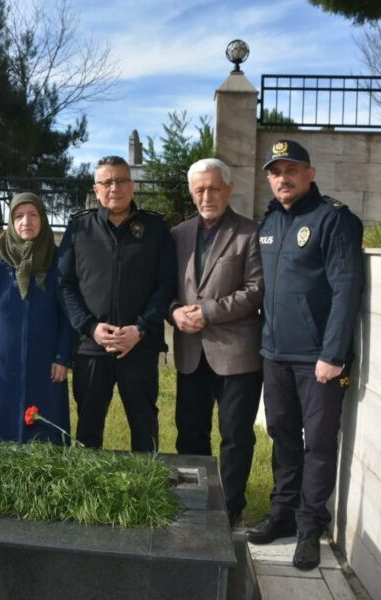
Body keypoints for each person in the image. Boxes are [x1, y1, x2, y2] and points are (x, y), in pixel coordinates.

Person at [246, 140, 364, 571]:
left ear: (310, 173)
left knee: (316, 443)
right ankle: (282, 512)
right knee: (281, 434)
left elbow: (347, 287)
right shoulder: (271, 220)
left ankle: (310, 526)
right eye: (275, 171)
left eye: (291, 168)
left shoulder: (333, 219)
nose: (283, 177)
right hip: (274, 354)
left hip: (318, 360)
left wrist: (333, 354)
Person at [58, 156, 176, 452]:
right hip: (91, 348)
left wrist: (141, 328)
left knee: (144, 426)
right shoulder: (79, 228)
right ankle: (89, 493)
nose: (115, 187)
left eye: (121, 180)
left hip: (139, 346)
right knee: (88, 428)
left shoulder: (156, 228)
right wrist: (90, 327)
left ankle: (145, 493)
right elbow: (64, 285)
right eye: (107, 182)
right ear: (96, 189)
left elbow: (166, 285)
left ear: (132, 186)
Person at [169, 158, 263, 527]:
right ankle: (191, 503)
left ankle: (230, 509)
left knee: (235, 436)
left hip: (236, 354)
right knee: (189, 432)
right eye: (199, 190)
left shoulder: (250, 233)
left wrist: (207, 311)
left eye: (213, 188)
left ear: (229, 189)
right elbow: (165, 287)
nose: (206, 195)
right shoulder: (177, 235)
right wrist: (174, 311)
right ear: (192, 193)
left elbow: (256, 291)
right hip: (190, 352)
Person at [0, 192, 71, 443]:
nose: (26, 221)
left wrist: (62, 357)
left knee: (43, 432)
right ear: (11, 222)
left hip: (44, 364)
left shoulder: (57, 259)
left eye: (33, 215)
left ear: (43, 219)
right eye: (19, 216)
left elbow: (67, 312)